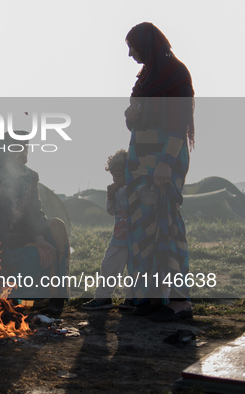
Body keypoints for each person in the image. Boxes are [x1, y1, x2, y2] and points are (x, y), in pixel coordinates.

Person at [124, 22, 195, 321]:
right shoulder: (145, 78)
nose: (129, 54)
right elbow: (137, 122)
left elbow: (179, 123)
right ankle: (151, 299)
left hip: (164, 164)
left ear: (146, 45)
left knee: (167, 228)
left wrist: (166, 162)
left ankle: (179, 302)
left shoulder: (175, 75)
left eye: (132, 47)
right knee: (143, 229)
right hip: (141, 164)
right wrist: (131, 116)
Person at [0, 132, 70, 314]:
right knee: (1, 301)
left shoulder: (30, 177)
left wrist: (39, 239)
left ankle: (57, 297)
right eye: (19, 149)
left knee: (57, 228)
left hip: (21, 243)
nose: (24, 154)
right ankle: (20, 301)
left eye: (26, 148)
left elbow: (34, 211)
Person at [82, 149, 135, 311]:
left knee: (134, 270)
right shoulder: (117, 191)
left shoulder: (135, 189)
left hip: (136, 237)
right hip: (119, 237)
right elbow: (112, 211)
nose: (115, 179)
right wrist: (110, 196)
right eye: (113, 176)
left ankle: (132, 299)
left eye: (119, 176)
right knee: (109, 266)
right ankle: (103, 297)